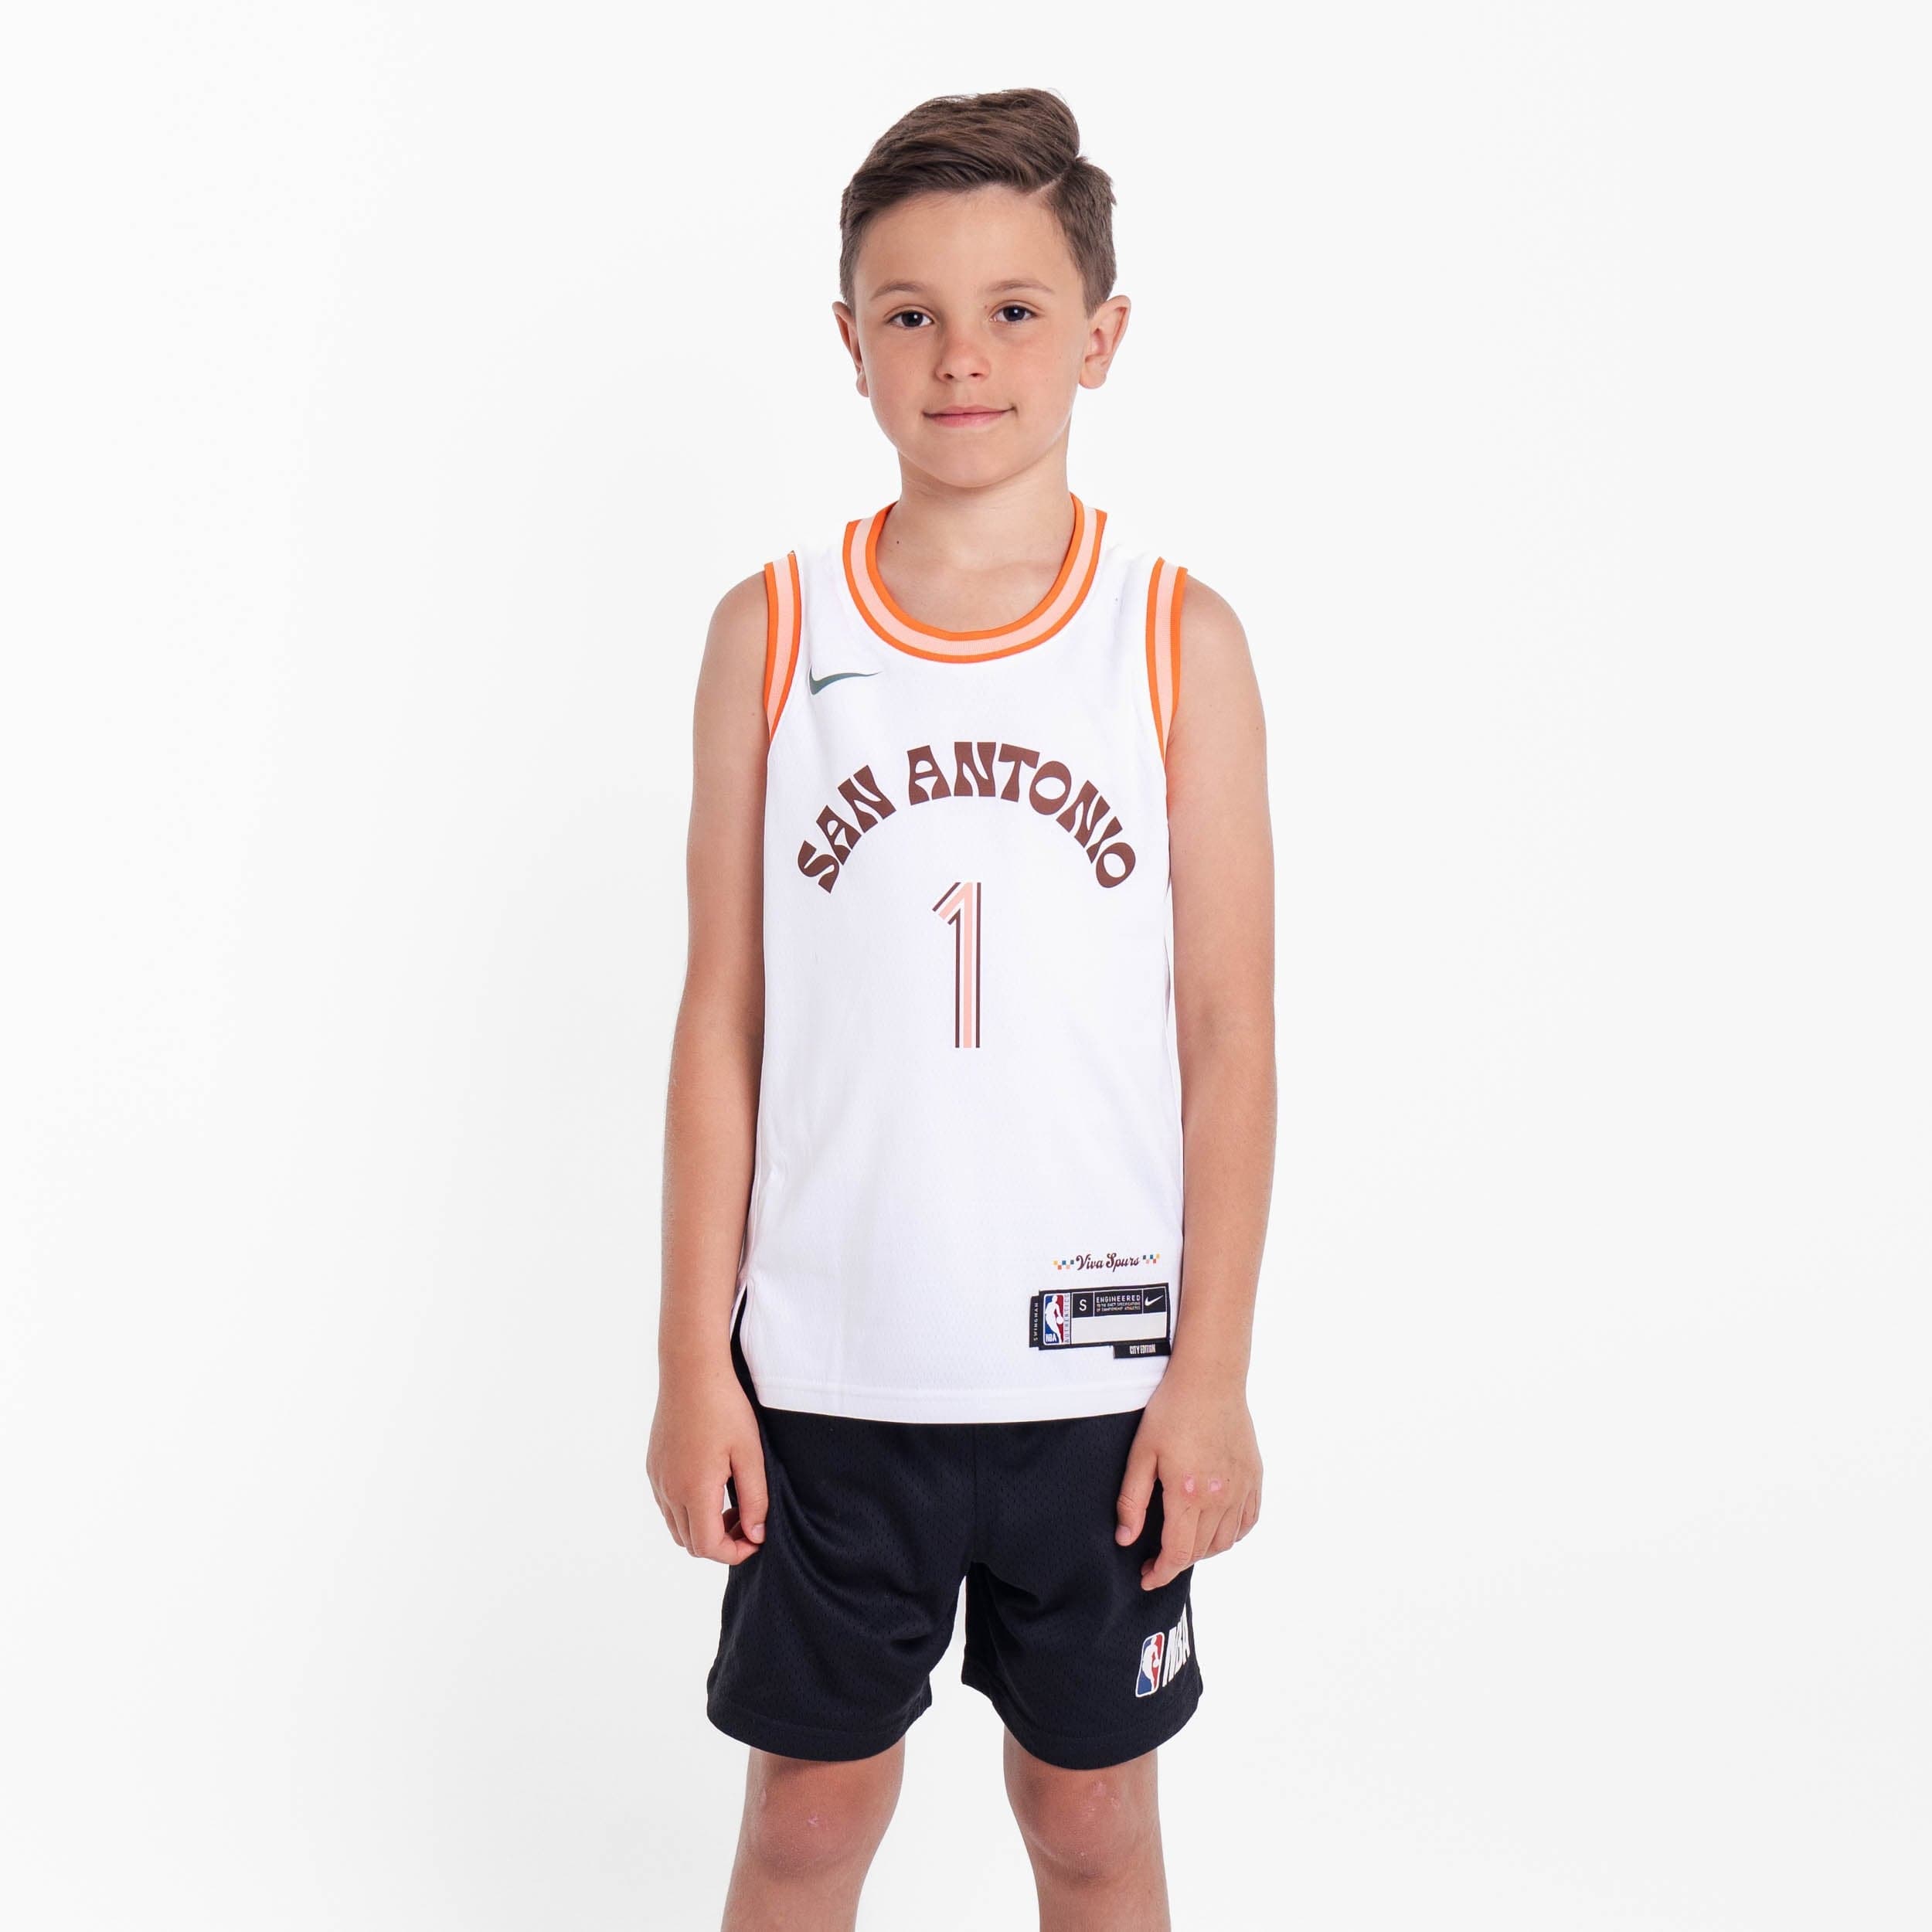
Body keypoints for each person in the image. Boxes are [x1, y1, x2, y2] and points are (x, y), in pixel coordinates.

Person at [650, 86, 1276, 1931]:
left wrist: (1211, 1372)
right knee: (804, 1822)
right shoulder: (773, 629)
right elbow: (721, 1022)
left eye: (1012, 308)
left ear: (1100, 334)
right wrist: (692, 1362)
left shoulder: (1174, 637)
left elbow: (1228, 1040)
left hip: (1096, 1378)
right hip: (828, 1373)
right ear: (847, 341)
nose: (960, 356)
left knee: (1089, 1816)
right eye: (909, 312)